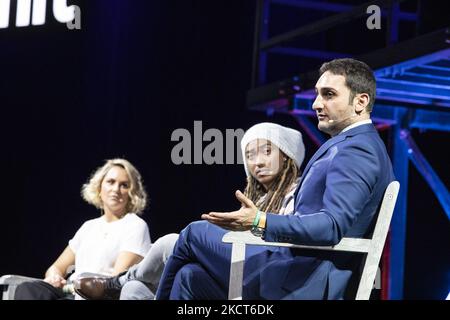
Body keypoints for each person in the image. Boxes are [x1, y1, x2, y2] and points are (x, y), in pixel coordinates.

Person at [155, 58, 395, 300]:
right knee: (190, 277)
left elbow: (331, 226)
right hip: (291, 269)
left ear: (360, 101)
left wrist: (259, 220)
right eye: (317, 94)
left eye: (329, 94)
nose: (316, 104)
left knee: (193, 234)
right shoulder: (353, 145)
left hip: (300, 279)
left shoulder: (358, 150)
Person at [73, 122, 306, 299]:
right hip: (240, 267)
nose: (258, 162)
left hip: (267, 271)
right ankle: (124, 284)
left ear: (287, 156)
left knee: (172, 241)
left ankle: (116, 283)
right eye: (250, 155)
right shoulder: (258, 199)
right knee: (140, 288)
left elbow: (293, 238)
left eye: (267, 151)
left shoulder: (299, 192)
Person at [14, 158, 152, 300]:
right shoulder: (88, 227)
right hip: (71, 294)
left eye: (124, 185)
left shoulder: (135, 226)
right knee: (27, 289)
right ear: (99, 188)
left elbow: (114, 283)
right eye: (111, 182)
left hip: (99, 296)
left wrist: (80, 287)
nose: (116, 189)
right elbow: (56, 267)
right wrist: (54, 277)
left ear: (132, 193)